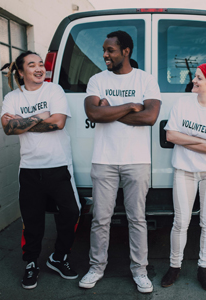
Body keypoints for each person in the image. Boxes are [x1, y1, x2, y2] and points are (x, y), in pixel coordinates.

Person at [78, 30, 161, 293]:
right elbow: (92, 112)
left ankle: (140, 271)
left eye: (110, 50)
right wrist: (129, 106)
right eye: (104, 50)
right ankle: (96, 267)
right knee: (100, 219)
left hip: (137, 161)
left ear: (126, 51)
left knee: (137, 219)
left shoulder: (146, 79)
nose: (104, 55)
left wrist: (109, 109)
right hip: (104, 160)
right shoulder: (96, 79)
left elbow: (149, 118)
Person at [0, 51, 81, 289]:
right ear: (21, 71)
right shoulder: (12, 97)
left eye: (40, 64)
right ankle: (31, 263)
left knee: (71, 213)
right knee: (32, 220)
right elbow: (7, 128)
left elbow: (58, 122)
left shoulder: (53, 90)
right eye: (32, 65)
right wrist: (41, 116)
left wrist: (22, 122)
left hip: (58, 165)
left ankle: (59, 257)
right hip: (29, 168)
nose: (39, 68)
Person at [161, 62, 206, 291]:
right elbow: (171, 135)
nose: (193, 80)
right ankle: (174, 266)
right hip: (184, 170)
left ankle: (204, 268)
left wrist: (187, 138)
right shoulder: (183, 103)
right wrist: (203, 142)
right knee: (180, 221)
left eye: (199, 78)